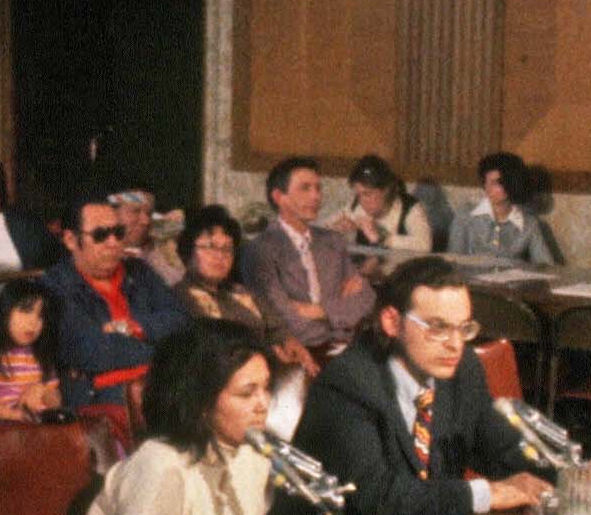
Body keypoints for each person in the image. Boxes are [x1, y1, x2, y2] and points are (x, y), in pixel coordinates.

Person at [266, 256, 591, 515]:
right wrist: (486, 493)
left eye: (463, 328)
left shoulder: (462, 370)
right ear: (391, 321)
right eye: (438, 327)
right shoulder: (348, 384)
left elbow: (504, 451)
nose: (454, 344)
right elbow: (374, 498)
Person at [49, 319, 274, 515]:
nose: (263, 404)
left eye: (266, 387)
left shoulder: (253, 456)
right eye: (246, 393)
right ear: (201, 403)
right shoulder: (161, 467)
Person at [39, 195, 188, 419]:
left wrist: (134, 328)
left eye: (118, 232)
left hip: (162, 384)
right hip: (102, 398)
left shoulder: (139, 271)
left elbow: (181, 320)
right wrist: (166, 352)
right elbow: (91, 351)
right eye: (100, 235)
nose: (113, 242)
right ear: (70, 240)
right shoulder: (55, 285)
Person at [244, 157, 375, 354]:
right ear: (279, 197)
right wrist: (340, 314)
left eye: (318, 188)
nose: (316, 196)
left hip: (344, 349)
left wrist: (320, 311)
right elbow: (280, 317)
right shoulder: (260, 250)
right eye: (305, 188)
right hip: (299, 351)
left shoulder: (333, 241)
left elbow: (367, 300)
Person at [172, 204, 318, 377]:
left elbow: (277, 326)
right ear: (188, 251)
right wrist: (270, 352)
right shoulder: (180, 297)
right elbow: (220, 346)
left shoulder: (241, 291)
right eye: (210, 247)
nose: (220, 256)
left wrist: (289, 342)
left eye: (227, 249)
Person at [0, 279, 61, 424]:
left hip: (39, 427)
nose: (33, 322)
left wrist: (43, 391)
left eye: (40, 316)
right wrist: (18, 416)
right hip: (4, 429)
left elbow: (56, 400)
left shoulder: (39, 352)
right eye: (25, 311)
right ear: (5, 312)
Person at [447, 151, 555, 265]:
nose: (500, 188)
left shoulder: (529, 224)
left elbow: (546, 265)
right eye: (493, 183)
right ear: (484, 185)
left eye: (503, 182)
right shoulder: (465, 215)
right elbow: (452, 260)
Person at [327, 154, 432, 266]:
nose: (362, 201)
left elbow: (425, 245)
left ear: (385, 190)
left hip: (401, 272)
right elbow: (324, 226)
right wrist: (338, 229)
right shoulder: (356, 206)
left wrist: (384, 239)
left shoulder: (410, 208)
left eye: (368, 194)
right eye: (359, 194)